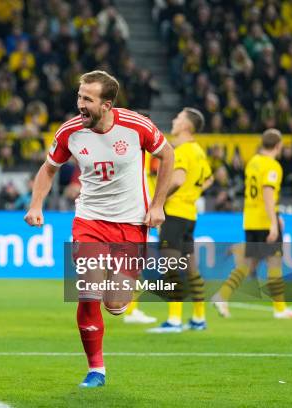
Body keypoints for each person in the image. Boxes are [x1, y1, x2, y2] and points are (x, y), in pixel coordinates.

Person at [24, 70, 174, 387]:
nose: (80, 105)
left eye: (87, 99)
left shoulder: (137, 126)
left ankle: (120, 291)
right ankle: (96, 370)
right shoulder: (70, 132)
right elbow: (48, 169)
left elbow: (168, 153)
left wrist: (158, 204)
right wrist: (36, 204)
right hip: (89, 220)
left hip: (132, 224)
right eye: (79, 97)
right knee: (88, 291)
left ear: (106, 105)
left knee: (115, 303)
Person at [212, 129, 292, 319]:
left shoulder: (253, 162)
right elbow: (268, 194)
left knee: (248, 263)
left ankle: (222, 296)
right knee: (274, 262)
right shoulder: (272, 166)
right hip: (264, 221)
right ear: (278, 146)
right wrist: (273, 223)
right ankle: (280, 309)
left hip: (251, 219)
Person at [147, 108, 213, 333]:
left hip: (174, 214)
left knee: (170, 267)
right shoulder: (199, 152)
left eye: (178, 118)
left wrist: (158, 201)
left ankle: (174, 320)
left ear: (186, 126)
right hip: (189, 215)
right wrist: (191, 195)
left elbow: (178, 179)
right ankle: (198, 318)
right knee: (192, 269)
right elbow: (209, 179)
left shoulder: (183, 150)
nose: (174, 121)